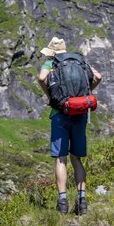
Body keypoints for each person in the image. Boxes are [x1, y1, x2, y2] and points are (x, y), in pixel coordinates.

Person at [38, 36, 102, 215]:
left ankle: (63, 200)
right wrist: (85, 95)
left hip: (60, 113)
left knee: (61, 158)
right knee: (77, 159)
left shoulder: (51, 63)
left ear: (52, 52)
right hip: (80, 113)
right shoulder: (80, 61)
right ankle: (82, 200)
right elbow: (98, 76)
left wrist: (51, 96)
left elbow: (41, 78)